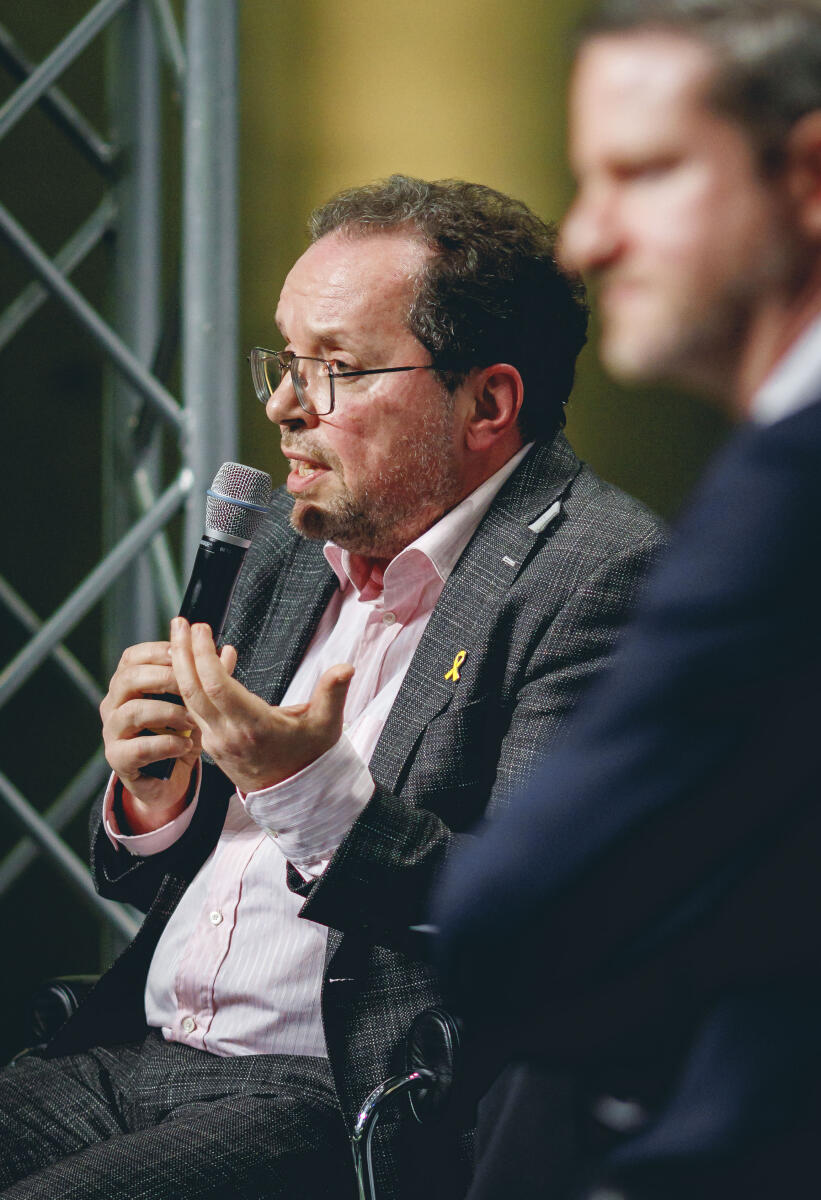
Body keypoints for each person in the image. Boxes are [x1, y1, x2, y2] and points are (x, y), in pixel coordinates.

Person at [0, 175, 662, 1199]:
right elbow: (151, 880)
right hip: (133, 1051)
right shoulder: (284, 543)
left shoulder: (598, 575)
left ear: (486, 403)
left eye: (336, 369)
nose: (282, 404)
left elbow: (538, 922)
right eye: (286, 358)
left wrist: (308, 791)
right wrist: (157, 799)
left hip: (340, 1091)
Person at [435, 3, 821, 1197]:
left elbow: (508, 916)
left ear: (808, 176)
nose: (584, 240)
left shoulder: (783, 495)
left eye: (642, 174)